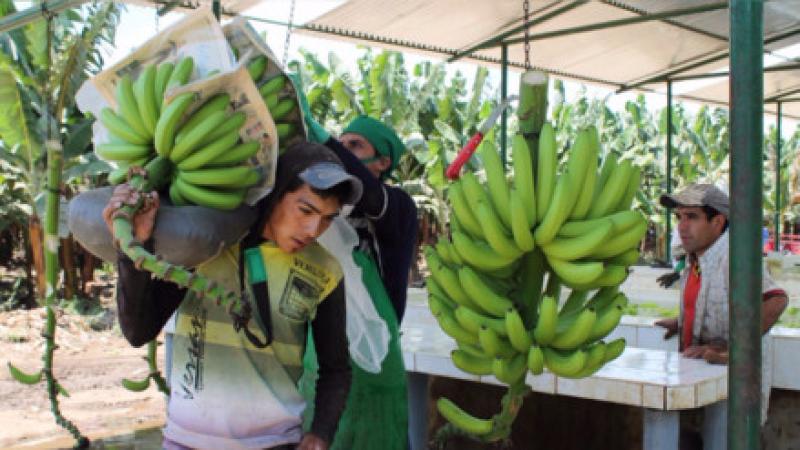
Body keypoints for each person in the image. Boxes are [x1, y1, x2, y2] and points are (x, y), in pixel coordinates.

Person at [103, 142, 363, 450]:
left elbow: (336, 368)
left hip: (275, 442)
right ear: (277, 194)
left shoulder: (325, 271)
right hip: (187, 441)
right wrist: (133, 248)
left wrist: (321, 433)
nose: (312, 229)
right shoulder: (205, 245)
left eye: (327, 218)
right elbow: (138, 331)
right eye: (305, 210)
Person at [300, 112, 418, 450]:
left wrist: (323, 141)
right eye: (342, 141)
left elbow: (368, 194)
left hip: (373, 359)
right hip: (320, 353)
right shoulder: (326, 208)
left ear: (382, 161)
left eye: (354, 145)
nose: (344, 151)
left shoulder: (397, 205)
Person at [654, 183, 788, 445]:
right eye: (679, 217)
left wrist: (733, 350)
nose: (682, 226)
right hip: (705, 386)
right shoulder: (696, 259)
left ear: (718, 222)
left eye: (692, 217)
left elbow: (776, 300)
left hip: (733, 393)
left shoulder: (734, 257)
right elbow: (715, 304)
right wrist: (682, 323)